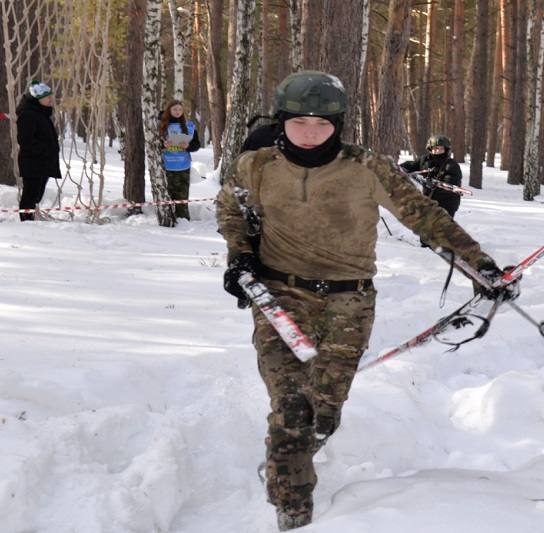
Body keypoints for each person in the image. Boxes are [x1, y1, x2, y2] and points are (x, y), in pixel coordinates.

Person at [217, 71, 519, 531]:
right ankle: (293, 512)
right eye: (300, 123)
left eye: (322, 123)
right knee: (292, 408)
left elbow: (426, 217)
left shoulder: (367, 168)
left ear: (338, 124)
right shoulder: (255, 166)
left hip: (350, 301)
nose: (311, 133)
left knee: (324, 413)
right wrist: (240, 256)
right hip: (279, 296)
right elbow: (231, 210)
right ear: (282, 122)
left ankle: (289, 457)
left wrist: (482, 267)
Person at [16, 80, 62, 221]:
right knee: (30, 194)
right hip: (33, 163)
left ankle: (30, 219)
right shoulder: (28, 115)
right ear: (38, 98)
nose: (50, 100)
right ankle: (26, 221)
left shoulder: (42, 114)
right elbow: (25, 140)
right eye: (47, 97)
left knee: (36, 195)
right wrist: (44, 150)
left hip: (42, 163)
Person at [400, 134, 463, 219]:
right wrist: (399, 167)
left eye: (441, 148)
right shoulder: (424, 160)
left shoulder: (452, 165)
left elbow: (451, 184)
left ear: (446, 149)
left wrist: (433, 185)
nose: (437, 151)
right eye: (435, 148)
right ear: (430, 148)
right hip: (428, 200)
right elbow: (412, 165)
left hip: (447, 203)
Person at [160, 100, 200, 220]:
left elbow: (197, 145)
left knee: (182, 198)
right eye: (175, 109)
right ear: (169, 110)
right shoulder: (161, 126)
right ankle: (167, 220)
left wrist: (188, 146)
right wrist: (163, 145)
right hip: (166, 167)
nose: (177, 112)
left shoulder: (189, 126)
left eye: (180, 110)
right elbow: (153, 144)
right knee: (167, 197)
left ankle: (183, 221)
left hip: (183, 167)